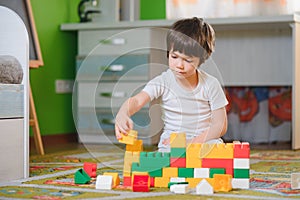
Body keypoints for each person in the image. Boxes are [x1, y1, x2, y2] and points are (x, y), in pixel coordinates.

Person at [115, 17, 228, 152]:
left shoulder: (211, 84)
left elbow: (220, 125)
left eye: (188, 60)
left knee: (218, 148)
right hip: (173, 142)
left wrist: (191, 143)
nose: (179, 65)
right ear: (168, 53)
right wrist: (123, 113)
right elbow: (138, 100)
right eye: (174, 57)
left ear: (202, 59)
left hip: (203, 140)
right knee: (167, 156)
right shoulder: (163, 82)